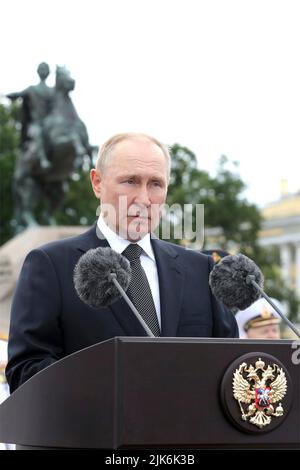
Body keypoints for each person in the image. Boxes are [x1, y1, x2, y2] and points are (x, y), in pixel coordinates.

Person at [6, 132, 238, 393]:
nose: (143, 198)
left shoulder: (201, 270)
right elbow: (26, 370)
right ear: (97, 182)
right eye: (130, 181)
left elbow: (231, 365)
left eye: (156, 184)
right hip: (96, 430)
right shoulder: (51, 265)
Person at [7, 62, 53, 170]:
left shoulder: (52, 91)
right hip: (35, 124)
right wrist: (8, 95)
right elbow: (17, 94)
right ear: (38, 71)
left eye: (45, 69)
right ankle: (43, 159)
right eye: (41, 68)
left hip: (49, 124)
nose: (43, 71)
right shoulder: (32, 89)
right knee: (37, 133)